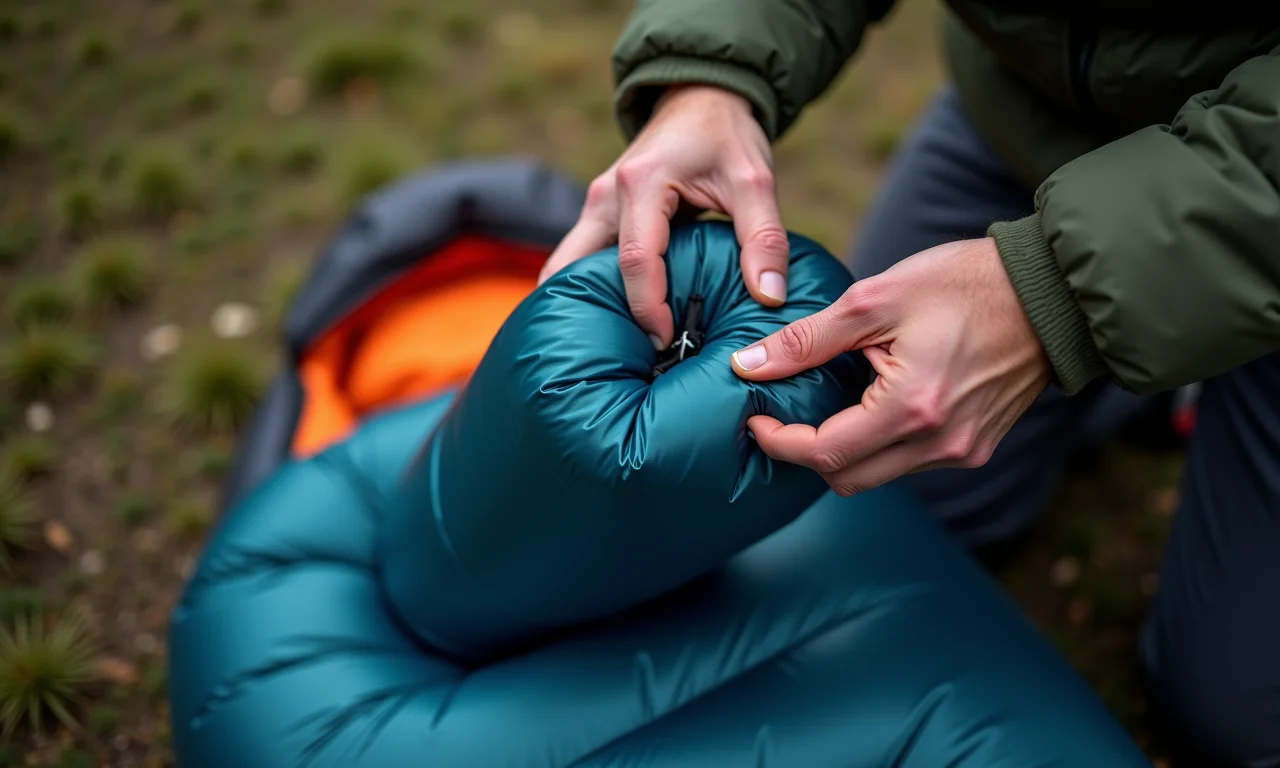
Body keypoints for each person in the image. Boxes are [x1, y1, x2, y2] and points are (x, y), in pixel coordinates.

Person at [537, 2, 1280, 765]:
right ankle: (1146, 362)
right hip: (1035, 117)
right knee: (901, 491)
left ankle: (1189, 343)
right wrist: (711, 71)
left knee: (1233, 714)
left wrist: (1055, 297)